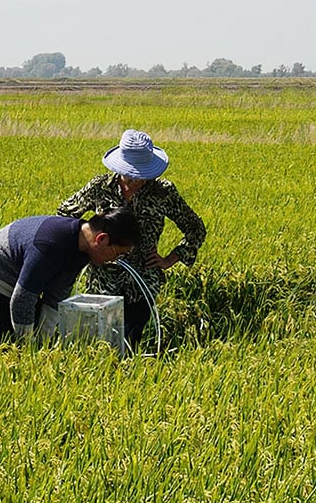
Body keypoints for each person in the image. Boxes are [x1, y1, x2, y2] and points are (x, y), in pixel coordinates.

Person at [57, 129, 206, 348]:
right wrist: (87, 249)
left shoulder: (163, 192)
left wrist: (170, 259)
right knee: (98, 341)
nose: (136, 181)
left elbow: (196, 229)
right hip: (102, 281)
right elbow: (64, 216)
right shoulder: (100, 187)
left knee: (129, 341)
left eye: (142, 176)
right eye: (131, 175)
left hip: (142, 279)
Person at [0, 207, 139, 342]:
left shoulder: (83, 249)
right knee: (0, 346)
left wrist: (43, 340)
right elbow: (22, 299)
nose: (113, 260)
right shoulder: (50, 245)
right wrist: (28, 347)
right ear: (101, 239)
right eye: (116, 253)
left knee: (32, 336)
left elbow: (56, 296)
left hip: (22, 286)